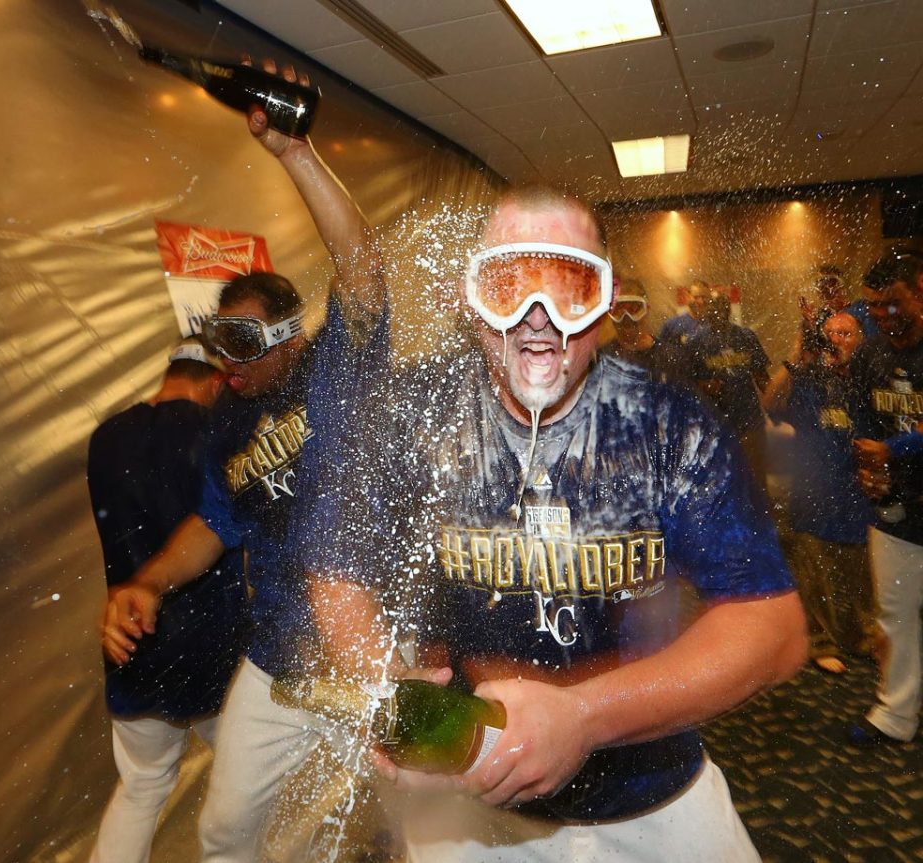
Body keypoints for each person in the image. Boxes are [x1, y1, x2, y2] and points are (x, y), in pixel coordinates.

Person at [300, 185, 806, 862]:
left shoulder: (668, 425)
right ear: (467, 296)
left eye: (568, 284)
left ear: (606, 302)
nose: (537, 317)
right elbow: (338, 568)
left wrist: (586, 717)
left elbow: (772, 627)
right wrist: (390, 692)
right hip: (469, 801)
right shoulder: (412, 416)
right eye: (509, 283)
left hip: (652, 793)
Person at [100, 58, 388, 862]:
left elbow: (362, 269)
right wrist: (149, 580)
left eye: (242, 341)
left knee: (429, 822)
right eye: (215, 341)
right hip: (280, 654)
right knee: (226, 832)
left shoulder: (339, 366)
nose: (227, 362)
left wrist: (295, 154)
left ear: (289, 335)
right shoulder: (227, 420)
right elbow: (215, 522)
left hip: (372, 636)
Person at [87, 338, 245, 863]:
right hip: (211, 647)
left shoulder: (105, 438)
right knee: (252, 792)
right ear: (216, 382)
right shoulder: (215, 433)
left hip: (131, 639)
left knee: (140, 789)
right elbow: (227, 530)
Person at [762, 312, 877, 675]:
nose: (836, 340)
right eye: (829, 334)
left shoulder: (866, 379)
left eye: (844, 333)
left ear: (859, 339)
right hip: (813, 493)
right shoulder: (809, 379)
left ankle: (864, 637)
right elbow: (769, 403)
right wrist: (797, 357)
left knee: (864, 580)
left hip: (858, 496)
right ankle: (820, 642)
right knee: (814, 577)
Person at [846, 250, 923, 746]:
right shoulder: (872, 355)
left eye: (893, 304)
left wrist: (892, 450)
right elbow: (863, 423)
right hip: (899, 511)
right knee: (894, 615)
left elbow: (888, 440)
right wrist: (870, 470)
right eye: (873, 307)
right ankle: (897, 715)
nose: (882, 317)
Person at [684, 290, 772, 494]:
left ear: (728, 310)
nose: (718, 312)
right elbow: (685, 384)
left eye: (722, 307)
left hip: (748, 419)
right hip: (715, 422)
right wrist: (704, 385)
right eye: (714, 307)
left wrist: (775, 407)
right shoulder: (696, 342)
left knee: (755, 478)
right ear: (708, 310)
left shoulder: (745, 336)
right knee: (719, 481)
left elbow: (761, 377)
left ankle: (758, 519)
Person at [600, 278, 678, 383]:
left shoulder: (669, 358)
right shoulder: (601, 357)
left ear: (646, 310)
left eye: (633, 309)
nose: (626, 318)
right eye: (618, 310)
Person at [657, 278, 710, 348]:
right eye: (696, 297)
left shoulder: (714, 324)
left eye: (704, 297)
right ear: (688, 296)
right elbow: (660, 352)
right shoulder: (671, 325)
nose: (700, 301)